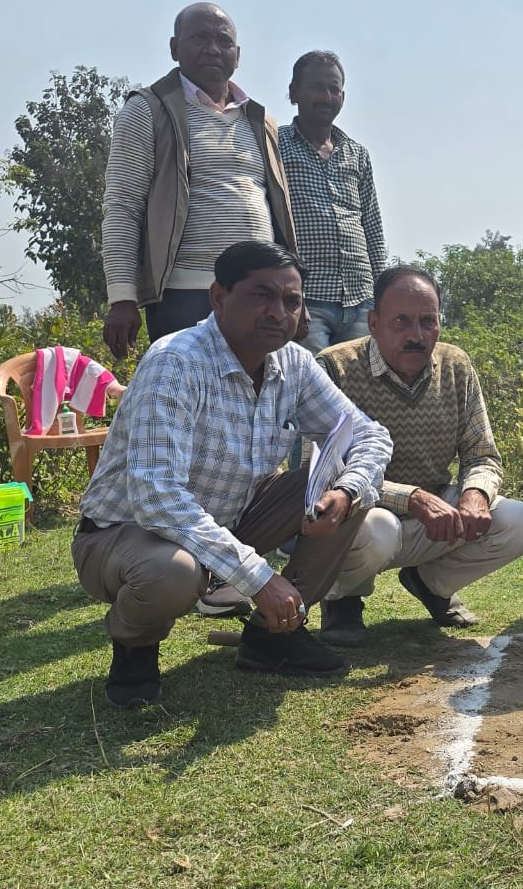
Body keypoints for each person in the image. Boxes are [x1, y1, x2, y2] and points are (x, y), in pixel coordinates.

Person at [73, 241, 392, 708]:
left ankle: (272, 637)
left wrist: (345, 491)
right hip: (126, 537)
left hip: (228, 524)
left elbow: (370, 436)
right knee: (172, 572)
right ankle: (134, 649)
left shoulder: (294, 365)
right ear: (218, 297)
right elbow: (156, 496)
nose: (277, 312)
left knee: (346, 485)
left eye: (291, 301)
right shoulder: (175, 363)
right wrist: (259, 578)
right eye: (261, 295)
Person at [314, 266, 523, 643]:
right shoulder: (333, 367)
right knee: (378, 529)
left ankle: (431, 584)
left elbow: (482, 454)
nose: (415, 335)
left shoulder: (456, 366)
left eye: (427, 322)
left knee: (519, 521)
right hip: (363, 514)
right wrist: (411, 498)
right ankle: (343, 600)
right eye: (401, 321)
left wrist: (475, 495)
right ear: (373, 322)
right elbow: (322, 475)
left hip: (437, 514)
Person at [101, 2, 298, 358]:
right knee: (190, 402)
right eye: (198, 38)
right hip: (185, 295)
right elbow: (122, 208)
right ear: (174, 48)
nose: (211, 49)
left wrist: (292, 291)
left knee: (257, 403)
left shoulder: (261, 120)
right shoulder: (147, 110)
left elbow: (279, 212)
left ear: (237, 55)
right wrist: (122, 297)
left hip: (261, 293)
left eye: (222, 41)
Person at [279, 50, 386, 354]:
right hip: (307, 297)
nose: (326, 96)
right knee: (310, 390)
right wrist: (287, 296)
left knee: (355, 391)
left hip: (360, 298)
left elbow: (372, 228)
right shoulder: (274, 142)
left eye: (333, 89)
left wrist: (382, 297)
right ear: (294, 92)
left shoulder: (357, 153)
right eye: (316, 87)